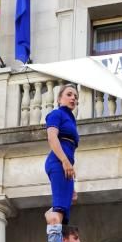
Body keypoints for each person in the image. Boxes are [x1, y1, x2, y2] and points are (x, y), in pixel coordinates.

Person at [45, 83, 79, 226]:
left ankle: (48, 216)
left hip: (65, 165)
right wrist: (65, 161)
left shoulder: (71, 120)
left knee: (63, 210)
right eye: (69, 94)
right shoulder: (56, 114)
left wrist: (71, 185)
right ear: (59, 99)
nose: (73, 99)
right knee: (58, 212)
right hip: (59, 162)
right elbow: (52, 138)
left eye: (76, 97)